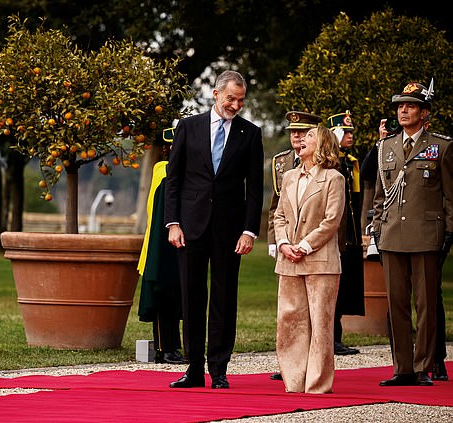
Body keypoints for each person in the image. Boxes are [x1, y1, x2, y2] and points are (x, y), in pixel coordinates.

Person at [164, 70, 264, 389]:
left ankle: (219, 369)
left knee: (224, 298)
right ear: (216, 94)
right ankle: (193, 369)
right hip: (189, 227)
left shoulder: (251, 133)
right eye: (231, 98)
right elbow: (174, 180)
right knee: (192, 297)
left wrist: (249, 231)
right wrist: (173, 223)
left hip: (230, 230)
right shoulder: (188, 127)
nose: (235, 105)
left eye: (240, 100)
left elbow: (256, 188)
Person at [372, 81, 453, 387]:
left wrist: (448, 233)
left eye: (410, 105)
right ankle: (401, 368)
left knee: (426, 305)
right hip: (392, 235)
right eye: (400, 106)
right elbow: (380, 195)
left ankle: (422, 367)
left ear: (424, 111)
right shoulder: (385, 147)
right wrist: (377, 229)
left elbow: (450, 195)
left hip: (426, 235)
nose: (403, 110)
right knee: (397, 305)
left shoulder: (441, 147)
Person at [273, 125, 345, 394]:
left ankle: (316, 384)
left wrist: (303, 246)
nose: (301, 139)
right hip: (288, 260)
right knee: (289, 321)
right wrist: (283, 244)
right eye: (300, 137)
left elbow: (331, 221)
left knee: (320, 324)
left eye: (309, 136)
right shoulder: (289, 176)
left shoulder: (334, 178)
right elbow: (279, 216)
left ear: (323, 144)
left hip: (321, 262)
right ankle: (294, 381)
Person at [267, 110, 322, 381]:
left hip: (317, 245)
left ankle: (315, 363)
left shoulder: (328, 165)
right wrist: (276, 240)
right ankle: (291, 365)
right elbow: (276, 207)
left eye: (303, 132)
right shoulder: (282, 164)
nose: (297, 137)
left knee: (317, 311)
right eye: (293, 132)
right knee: (290, 312)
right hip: (288, 243)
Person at [136, 131, 187, 365]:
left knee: (179, 297)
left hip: (179, 244)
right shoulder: (164, 173)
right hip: (163, 244)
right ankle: (165, 348)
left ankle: (177, 347)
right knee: (164, 294)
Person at [327, 111, 365, 355]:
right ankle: (332, 338)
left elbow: (357, 197)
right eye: (345, 132)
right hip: (335, 234)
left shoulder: (351, 161)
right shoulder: (332, 162)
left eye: (351, 132)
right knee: (332, 289)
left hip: (349, 235)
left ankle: (336, 336)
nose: (350, 136)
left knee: (344, 287)